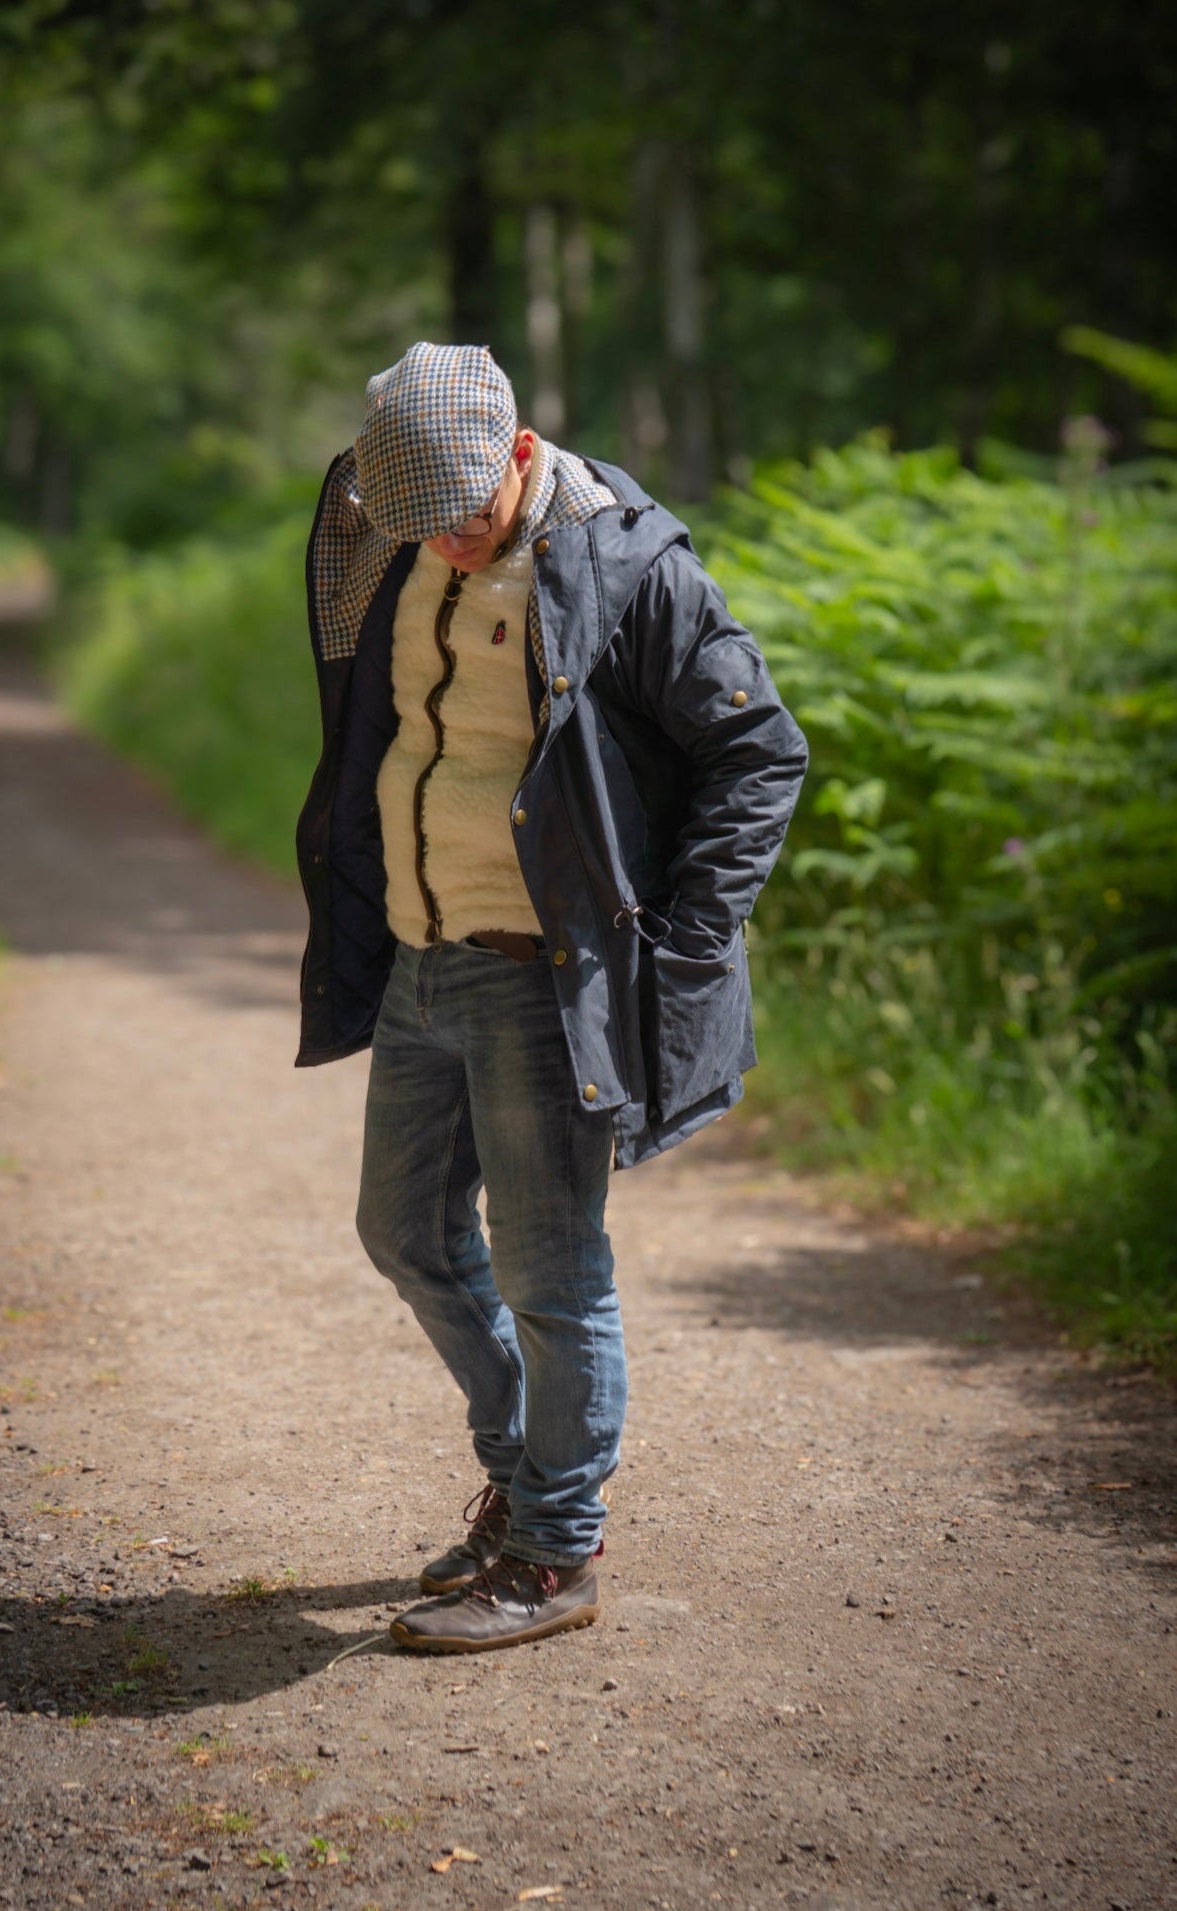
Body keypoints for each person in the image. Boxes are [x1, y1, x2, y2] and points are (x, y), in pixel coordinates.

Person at [296, 342, 807, 1653]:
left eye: (466, 521)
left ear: (520, 455)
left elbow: (759, 751)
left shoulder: (625, 571)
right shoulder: (388, 539)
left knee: (550, 1272)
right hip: (423, 952)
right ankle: (524, 1475)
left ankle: (553, 1551)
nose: (448, 550)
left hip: (542, 975)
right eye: (420, 530)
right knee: (401, 1228)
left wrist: (683, 945)